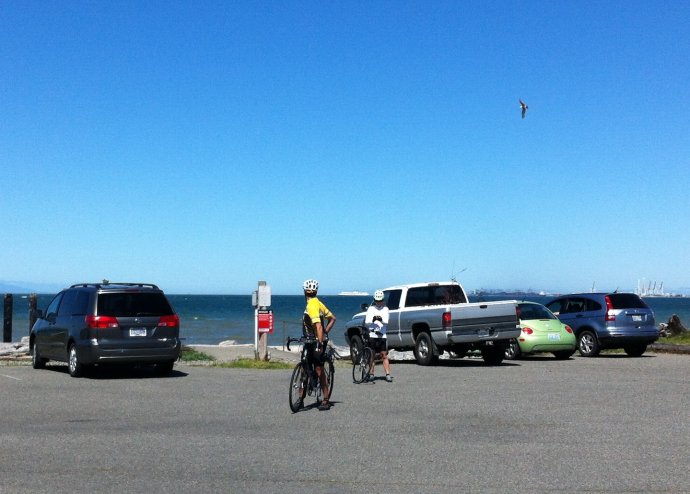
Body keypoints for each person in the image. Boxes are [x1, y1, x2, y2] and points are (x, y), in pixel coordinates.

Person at [302, 279, 336, 410]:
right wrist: (326, 332)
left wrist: (320, 342)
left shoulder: (312, 305)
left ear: (304, 292)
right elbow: (332, 319)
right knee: (305, 366)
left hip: (316, 341)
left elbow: (318, 326)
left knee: (318, 368)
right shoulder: (318, 303)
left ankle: (325, 399)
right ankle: (301, 399)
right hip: (310, 340)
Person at [364, 289, 393, 382]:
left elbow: (386, 321)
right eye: (377, 300)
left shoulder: (385, 309)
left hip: (382, 336)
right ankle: (371, 373)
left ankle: (388, 374)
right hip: (372, 335)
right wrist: (376, 320)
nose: (378, 302)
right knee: (372, 355)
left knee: (384, 355)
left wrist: (378, 320)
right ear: (374, 300)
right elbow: (367, 322)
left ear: (383, 300)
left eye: (380, 300)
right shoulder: (371, 309)